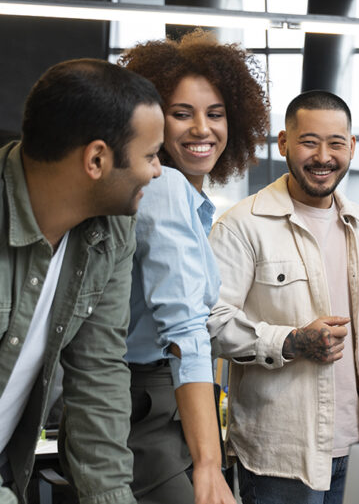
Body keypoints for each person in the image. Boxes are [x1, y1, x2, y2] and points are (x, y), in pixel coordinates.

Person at [207, 90, 359, 504]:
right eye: (309, 142)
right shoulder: (241, 226)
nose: (323, 156)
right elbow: (211, 324)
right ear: (284, 143)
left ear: (351, 147)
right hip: (279, 457)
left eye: (336, 143)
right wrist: (290, 341)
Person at [0, 59, 163, 503]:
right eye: (150, 155)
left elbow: (98, 375)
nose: (157, 170)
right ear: (96, 159)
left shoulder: (111, 231)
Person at [118, 30, 269, 504]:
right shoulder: (163, 189)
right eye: (181, 114)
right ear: (150, 122)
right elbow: (185, 329)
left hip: (166, 396)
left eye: (216, 114)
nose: (201, 129)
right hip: (147, 395)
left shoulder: (189, 197)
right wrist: (208, 464)